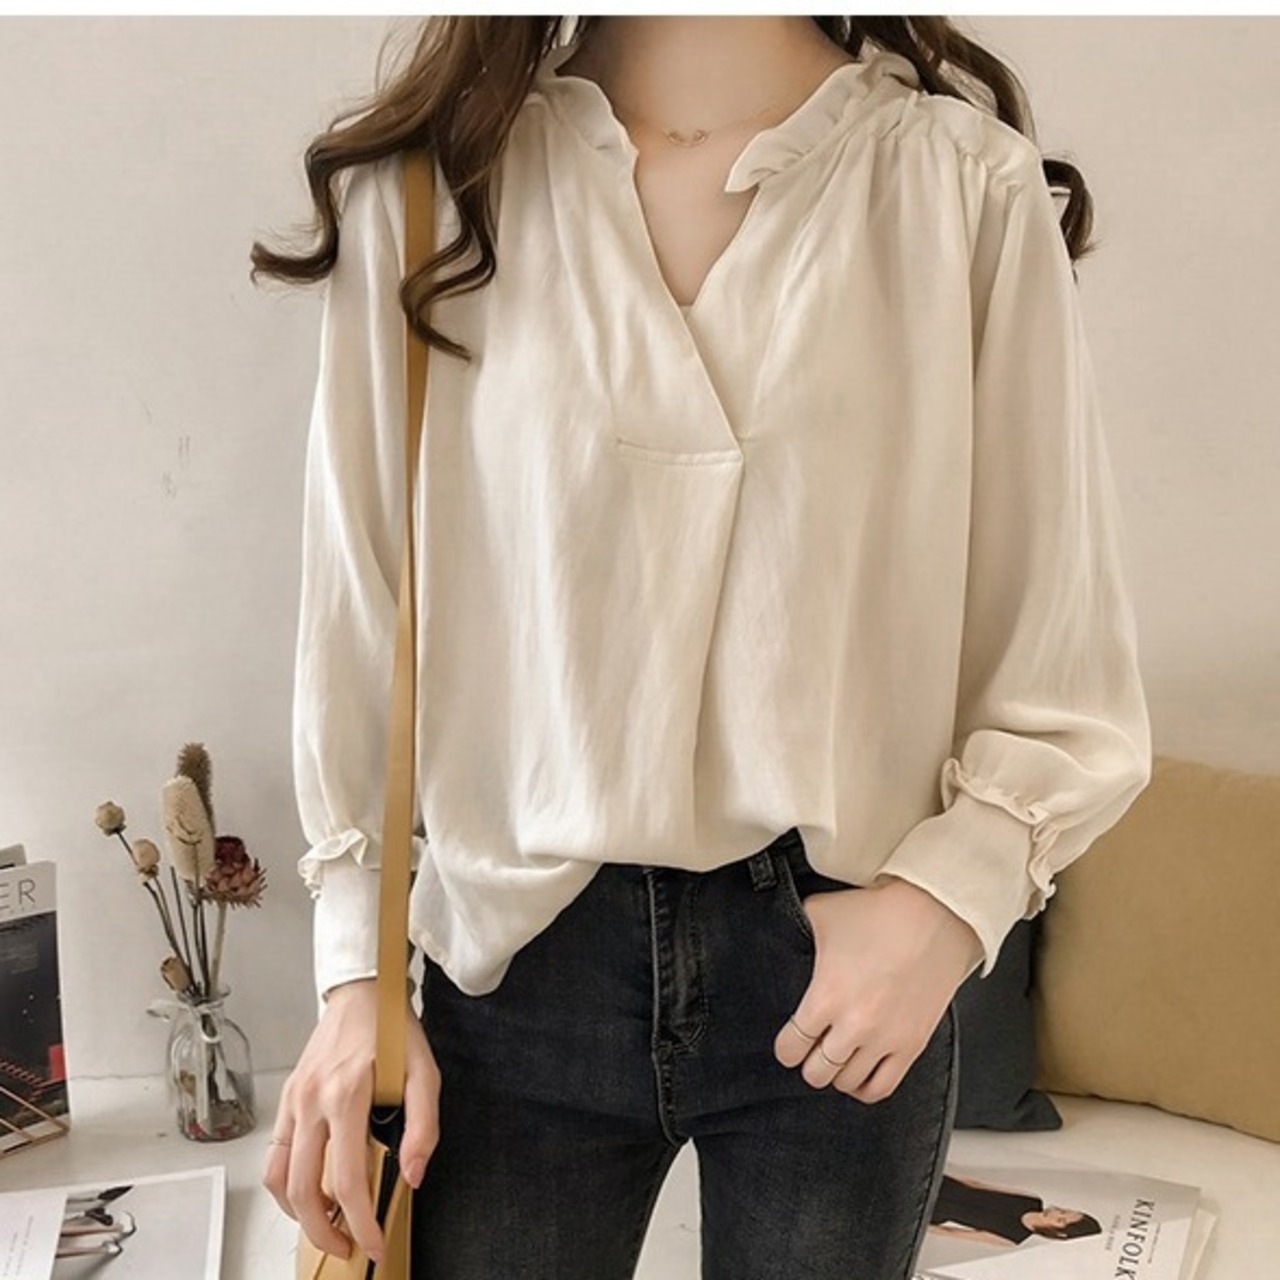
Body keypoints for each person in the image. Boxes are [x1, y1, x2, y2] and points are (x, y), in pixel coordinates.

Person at [252, 16, 1151, 1280]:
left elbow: (1062, 657)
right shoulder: (427, 195)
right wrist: (354, 979)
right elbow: (357, 611)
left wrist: (942, 907)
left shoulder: (959, 190)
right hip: (512, 967)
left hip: (838, 968)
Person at [928, 1173, 1103, 1246]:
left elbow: (952, 1232)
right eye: (1063, 1211)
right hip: (943, 1184)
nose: (1056, 1213)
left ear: (1059, 1233)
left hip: (933, 1211)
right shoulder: (1032, 1199)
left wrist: (922, 1224)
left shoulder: (1012, 1238)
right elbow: (976, 1184)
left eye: (1060, 1219)